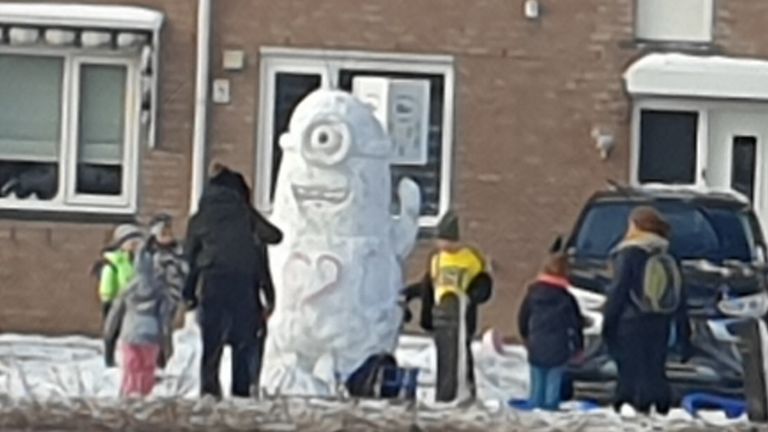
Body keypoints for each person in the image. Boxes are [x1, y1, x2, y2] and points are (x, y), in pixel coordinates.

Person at [183, 163, 282, 398]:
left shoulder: (200, 217)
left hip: (212, 282)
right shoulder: (245, 215)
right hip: (244, 285)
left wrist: (189, 294)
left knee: (211, 343)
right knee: (243, 342)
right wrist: (269, 295)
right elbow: (274, 237)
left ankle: (208, 391)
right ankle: (240, 392)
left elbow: (191, 257)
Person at [602, 206, 688, 415]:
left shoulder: (629, 252)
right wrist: (684, 334)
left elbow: (619, 291)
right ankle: (660, 408)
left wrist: (608, 324)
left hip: (630, 322)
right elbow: (680, 294)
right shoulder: (668, 252)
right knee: (655, 367)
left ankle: (627, 407)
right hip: (660, 321)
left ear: (636, 226)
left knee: (629, 370)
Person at [408, 211, 493, 402]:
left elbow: (484, 283)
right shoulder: (437, 259)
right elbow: (429, 285)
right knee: (444, 354)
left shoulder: (470, 259)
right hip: (442, 315)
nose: (443, 246)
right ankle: (445, 391)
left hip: (462, 313)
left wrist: (474, 295)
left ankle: (466, 389)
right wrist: (424, 314)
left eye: (446, 241)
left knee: (462, 352)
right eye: (441, 241)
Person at [103, 250, 176, 397]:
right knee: (147, 368)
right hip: (151, 335)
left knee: (131, 367)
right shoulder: (160, 290)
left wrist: (109, 334)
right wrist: (167, 345)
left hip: (130, 333)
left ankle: (129, 393)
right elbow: (164, 320)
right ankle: (144, 394)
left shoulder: (128, 289)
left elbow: (115, 313)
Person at [518, 253, 584, 411]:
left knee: (537, 377)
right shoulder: (567, 299)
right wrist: (578, 347)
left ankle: (535, 403)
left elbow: (523, 317)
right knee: (553, 380)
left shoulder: (532, 293)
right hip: (558, 346)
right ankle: (550, 406)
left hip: (536, 342)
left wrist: (526, 336)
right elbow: (576, 325)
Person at [144, 213, 188, 369]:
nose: (167, 236)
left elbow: (185, 271)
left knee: (164, 327)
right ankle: (152, 357)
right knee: (151, 328)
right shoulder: (148, 253)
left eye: (169, 232)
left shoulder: (178, 251)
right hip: (150, 296)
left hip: (171, 295)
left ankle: (163, 358)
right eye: (163, 233)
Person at [96, 224, 144, 320]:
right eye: (132, 242)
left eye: (138, 242)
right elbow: (107, 283)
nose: (136, 246)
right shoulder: (115, 261)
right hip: (119, 304)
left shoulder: (143, 260)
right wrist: (108, 300)